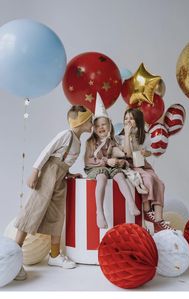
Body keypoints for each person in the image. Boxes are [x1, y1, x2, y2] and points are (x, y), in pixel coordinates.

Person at [14, 105, 93, 280]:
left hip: (61, 177)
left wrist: (70, 174)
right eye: (90, 120)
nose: (92, 124)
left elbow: (63, 162)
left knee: (57, 215)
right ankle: (13, 258)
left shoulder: (78, 141)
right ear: (81, 121)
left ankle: (55, 255)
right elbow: (47, 151)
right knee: (33, 211)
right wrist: (35, 171)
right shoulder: (65, 135)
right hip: (48, 174)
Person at [84, 95, 140, 229]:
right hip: (95, 167)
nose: (101, 127)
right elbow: (89, 160)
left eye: (103, 124)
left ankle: (131, 204)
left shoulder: (112, 141)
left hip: (109, 167)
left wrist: (120, 161)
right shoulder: (90, 142)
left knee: (120, 175)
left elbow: (118, 153)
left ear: (109, 125)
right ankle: (100, 212)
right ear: (93, 128)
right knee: (102, 176)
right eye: (97, 125)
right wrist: (106, 161)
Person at [116, 107, 174, 233]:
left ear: (138, 121)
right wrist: (127, 135)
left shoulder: (144, 136)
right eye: (126, 118)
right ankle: (147, 211)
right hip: (130, 164)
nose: (128, 121)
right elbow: (127, 153)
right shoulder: (120, 137)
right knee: (147, 179)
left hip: (142, 163)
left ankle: (159, 219)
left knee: (159, 182)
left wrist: (145, 152)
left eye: (131, 118)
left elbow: (149, 152)